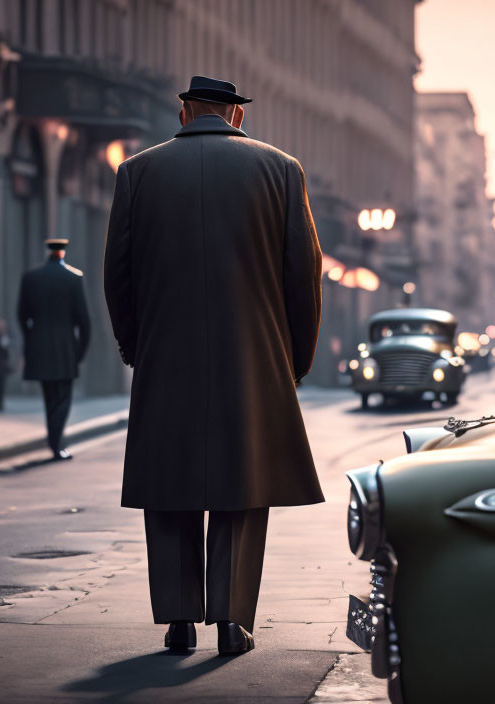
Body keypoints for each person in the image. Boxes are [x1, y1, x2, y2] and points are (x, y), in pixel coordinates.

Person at [103, 75, 324, 655]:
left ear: (183, 112)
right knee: (242, 486)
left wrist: (135, 346)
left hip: (165, 353)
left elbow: (117, 274)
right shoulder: (281, 170)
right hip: (252, 356)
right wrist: (293, 359)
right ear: (237, 117)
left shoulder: (137, 171)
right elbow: (303, 277)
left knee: (170, 484)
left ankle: (178, 619)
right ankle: (231, 620)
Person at [17, 239, 91, 460]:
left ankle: (55, 441)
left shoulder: (31, 278)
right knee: (63, 399)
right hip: (65, 349)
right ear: (63, 253)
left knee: (49, 397)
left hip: (39, 349)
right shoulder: (73, 278)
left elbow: (22, 315)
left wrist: (31, 339)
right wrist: (80, 352)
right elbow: (84, 321)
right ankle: (56, 443)